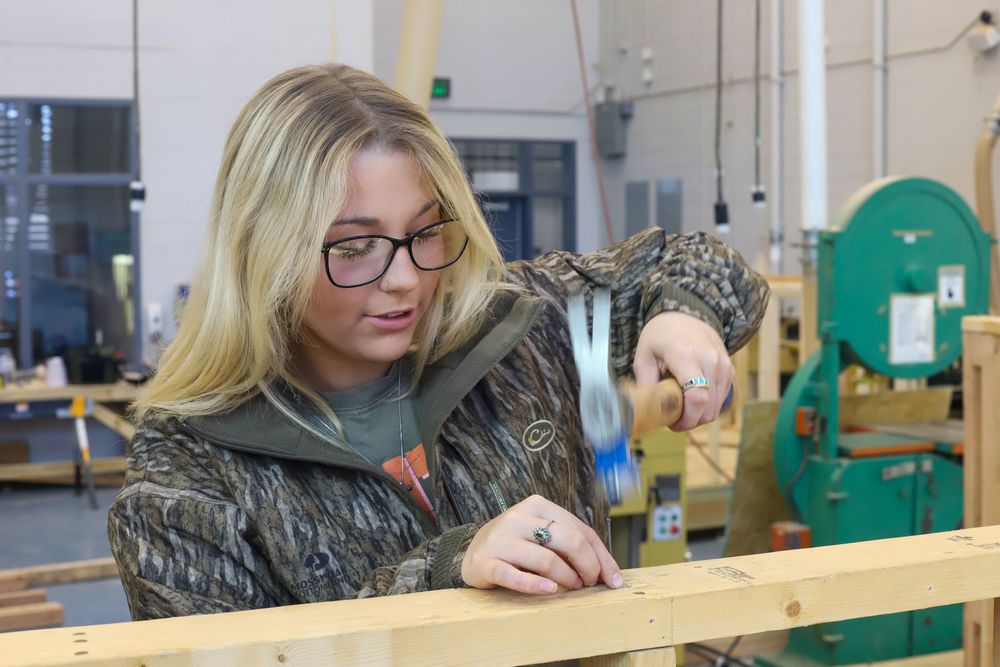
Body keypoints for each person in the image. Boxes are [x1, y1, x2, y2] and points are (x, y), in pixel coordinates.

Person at [108, 62, 769, 620]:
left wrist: (684, 316)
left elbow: (693, 264)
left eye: (426, 232)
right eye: (356, 246)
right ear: (262, 250)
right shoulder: (188, 476)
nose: (405, 280)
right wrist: (444, 570)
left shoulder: (514, 327)